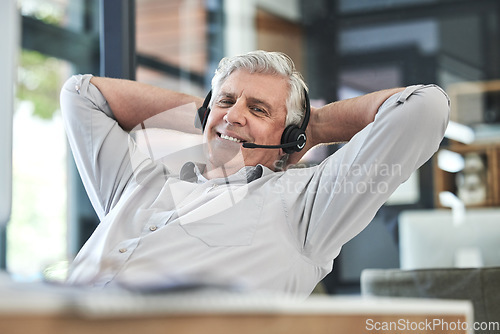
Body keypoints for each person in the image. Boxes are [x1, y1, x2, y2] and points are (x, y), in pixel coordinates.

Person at [60, 50, 449, 296]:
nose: (234, 114)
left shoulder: (306, 207)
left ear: (290, 136)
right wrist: (207, 116)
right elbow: (80, 95)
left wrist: (314, 128)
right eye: (227, 100)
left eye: (259, 109)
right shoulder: (140, 181)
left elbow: (426, 108)